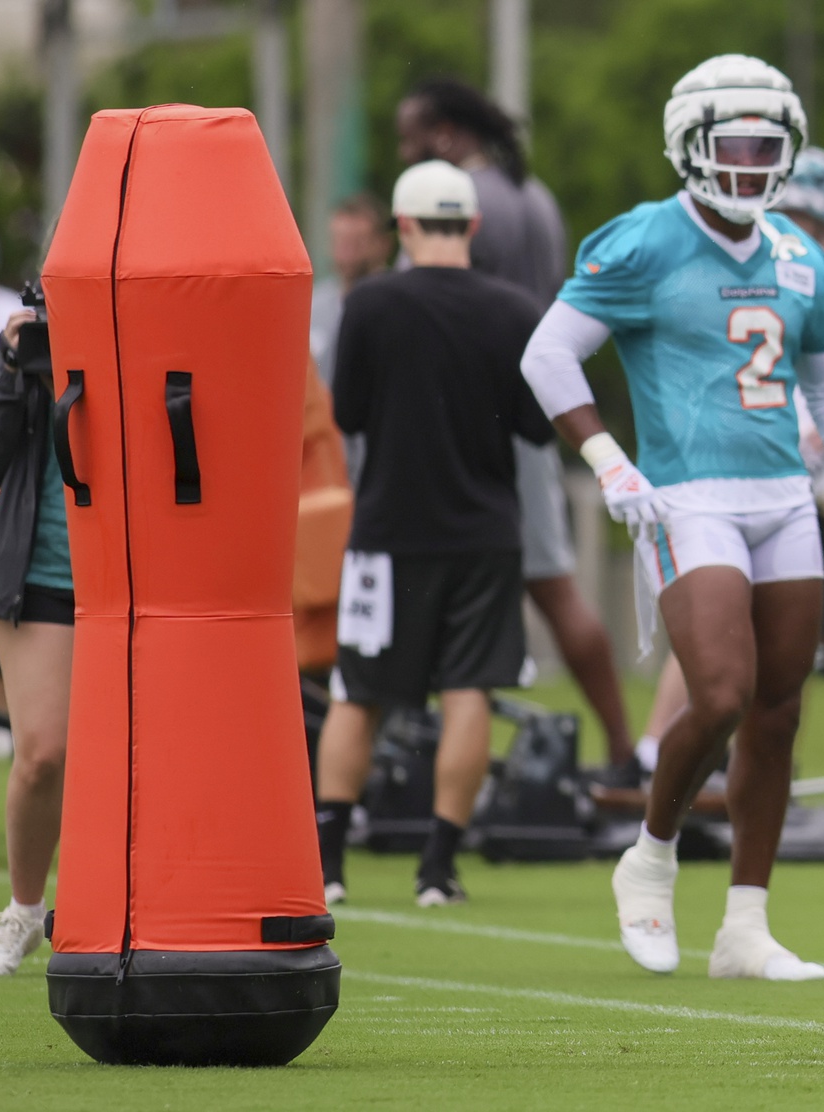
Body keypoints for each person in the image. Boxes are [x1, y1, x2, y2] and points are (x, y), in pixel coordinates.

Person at [519, 55, 824, 980]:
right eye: (732, 145)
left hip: (784, 496)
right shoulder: (641, 241)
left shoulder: (797, 253)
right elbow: (548, 356)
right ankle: (650, 858)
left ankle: (745, 925)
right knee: (720, 694)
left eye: (766, 147)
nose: (749, 163)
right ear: (688, 145)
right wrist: (610, 461)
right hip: (687, 494)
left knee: (778, 712)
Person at [633, 147, 824, 823]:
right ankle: (652, 758)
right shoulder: (738, 270)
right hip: (751, 479)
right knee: (713, 619)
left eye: (805, 212)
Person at [313, 161, 553, 908]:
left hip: (387, 533)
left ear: (403, 226)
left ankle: (328, 868)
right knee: (467, 690)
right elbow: (536, 428)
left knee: (359, 690)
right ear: (473, 226)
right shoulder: (515, 310)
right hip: (485, 532)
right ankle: (437, 869)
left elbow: (346, 414)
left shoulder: (372, 305)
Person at [397, 77, 637, 782]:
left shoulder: (457, 205)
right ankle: (621, 749)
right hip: (532, 418)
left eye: (409, 137)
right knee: (553, 585)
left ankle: (412, 767)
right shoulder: (535, 197)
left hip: (468, 428)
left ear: (441, 137)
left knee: (432, 587)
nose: (404, 152)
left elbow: (431, 314)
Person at [0, 304, 73, 974]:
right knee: (44, 751)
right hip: (43, 569)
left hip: (138, 579)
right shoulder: (29, 349)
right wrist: (13, 364)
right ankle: (23, 908)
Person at [310, 193, 393, 390]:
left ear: (383, 244)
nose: (345, 254)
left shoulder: (396, 305)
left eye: (356, 243)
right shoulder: (314, 304)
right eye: (339, 241)